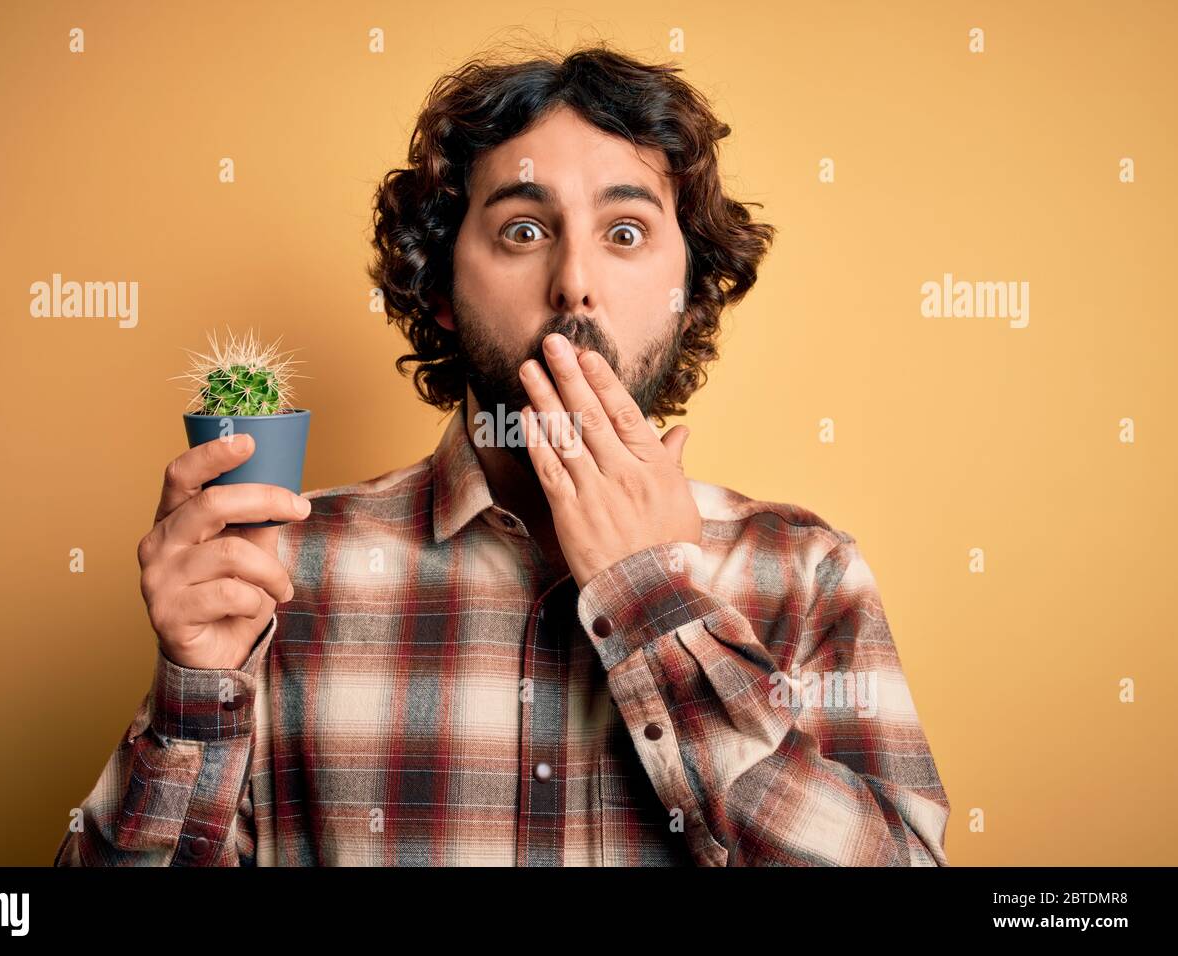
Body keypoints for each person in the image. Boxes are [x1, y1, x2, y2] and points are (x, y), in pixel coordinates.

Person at [56, 42, 949, 866]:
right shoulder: (280, 571)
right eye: (523, 229)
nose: (575, 283)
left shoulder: (805, 574)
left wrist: (656, 603)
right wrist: (195, 696)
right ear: (441, 287)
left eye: (627, 232)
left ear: (687, 294)